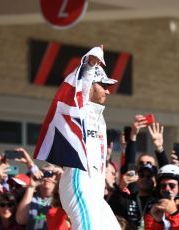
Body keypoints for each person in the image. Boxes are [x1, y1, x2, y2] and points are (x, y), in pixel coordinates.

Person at [34, 45, 121, 230]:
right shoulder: (77, 109)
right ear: (90, 85)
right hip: (79, 181)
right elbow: (78, 88)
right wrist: (89, 67)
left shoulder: (98, 115)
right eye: (104, 85)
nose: (108, 91)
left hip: (95, 189)